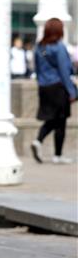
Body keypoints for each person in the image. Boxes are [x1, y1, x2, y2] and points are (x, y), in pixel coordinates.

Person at [31, 18, 77, 165]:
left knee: (52, 119)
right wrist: (72, 91)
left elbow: (37, 69)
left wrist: (41, 82)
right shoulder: (59, 47)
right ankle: (56, 154)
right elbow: (64, 71)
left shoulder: (39, 47)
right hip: (58, 87)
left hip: (44, 87)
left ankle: (39, 142)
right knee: (60, 121)